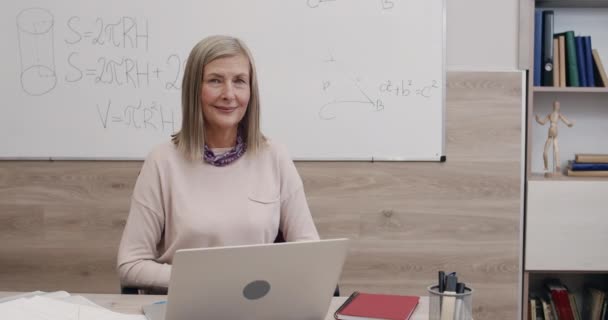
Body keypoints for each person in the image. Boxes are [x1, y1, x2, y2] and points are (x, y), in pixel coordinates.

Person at [117, 35, 320, 291]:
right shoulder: (162, 161)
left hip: (259, 306)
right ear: (194, 89)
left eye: (239, 81)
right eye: (215, 80)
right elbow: (130, 265)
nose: (229, 94)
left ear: (251, 90)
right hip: (187, 306)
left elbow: (310, 252)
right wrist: (209, 281)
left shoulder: (274, 156)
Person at [535, 100, 574, 173]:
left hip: (555, 133)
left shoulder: (559, 115)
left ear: (559, 107)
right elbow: (543, 122)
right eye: (555, 105)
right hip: (550, 134)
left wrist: (570, 124)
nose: (557, 106)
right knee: (545, 152)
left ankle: (558, 166)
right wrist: (538, 120)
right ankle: (546, 167)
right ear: (553, 106)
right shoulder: (549, 115)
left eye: (558, 105)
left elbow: (566, 121)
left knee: (556, 150)